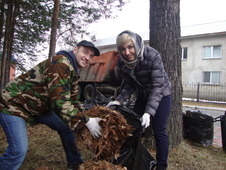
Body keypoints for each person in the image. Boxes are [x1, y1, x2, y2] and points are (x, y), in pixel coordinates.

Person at [0, 40, 102, 170]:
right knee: (18, 151)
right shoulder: (61, 63)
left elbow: (74, 101)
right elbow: (60, 103)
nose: (87, 58)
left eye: (91, 56)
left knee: (66, 127)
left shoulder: (73, 71)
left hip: (39, 108)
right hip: (14, 105)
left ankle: (75, 164)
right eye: (85, 52)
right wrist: (85, 120)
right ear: (75, 50)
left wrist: (85, 118)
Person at [107, 30, 172, 170]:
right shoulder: (123, 62)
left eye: (130, 47)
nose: (127, 52)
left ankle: (161, 166)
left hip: (161, 95)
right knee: (133, 127)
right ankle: (132, 159)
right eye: (123, 49)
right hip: (142, 96)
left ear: (136, 44)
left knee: (159, 130)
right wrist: (118, 101)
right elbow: (128, 86)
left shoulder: (152, 55)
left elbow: (157, 86)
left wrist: (148, 113)